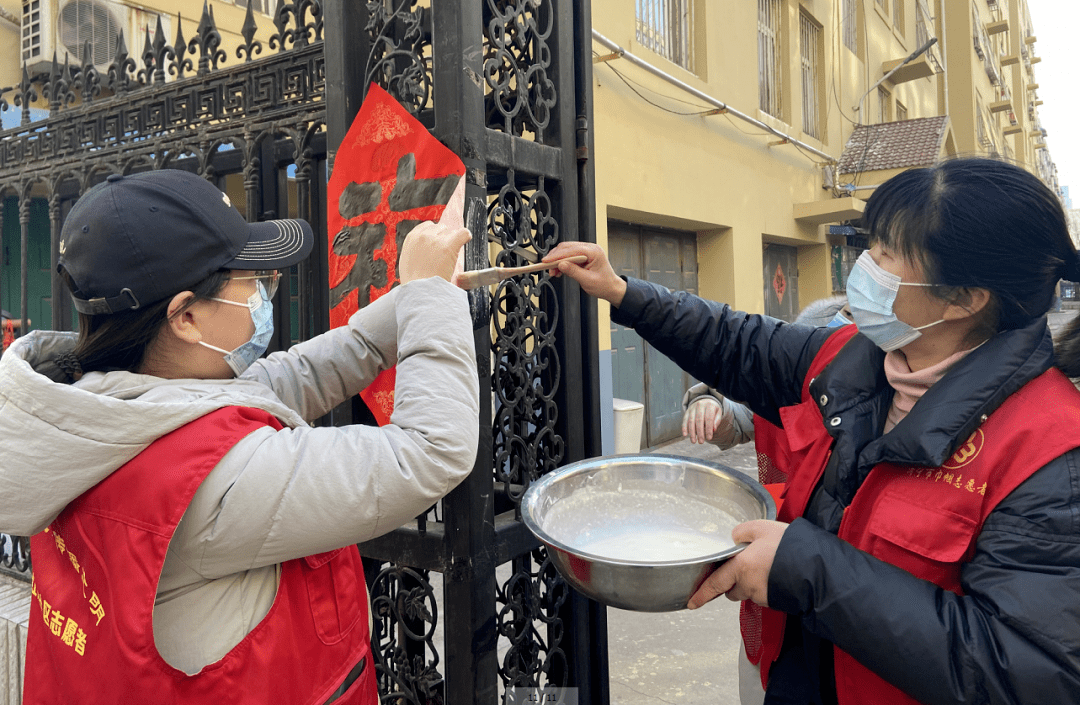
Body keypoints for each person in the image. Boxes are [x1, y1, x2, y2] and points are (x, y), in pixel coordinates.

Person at [546, 157, 1080, 705]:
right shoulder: (851, 356)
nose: (865, 266)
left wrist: (807, 570)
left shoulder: (1050, 452)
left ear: (966, 297)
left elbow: (1025, 671)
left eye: (888, 255)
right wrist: (622, 292)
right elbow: (737, 341)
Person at [0, 169, 479, 704]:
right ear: (184, 317)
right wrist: (428, 294)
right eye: (253, 279)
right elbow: (430, 451)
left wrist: (420, 300)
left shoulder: (100, 411)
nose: (265, 290)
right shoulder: (206, 483)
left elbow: (297, 373)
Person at [681, 295, 850, 447]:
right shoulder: (791, 380)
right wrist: (712, 403)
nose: (850, 329)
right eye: (848, 313)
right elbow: (741, 418)